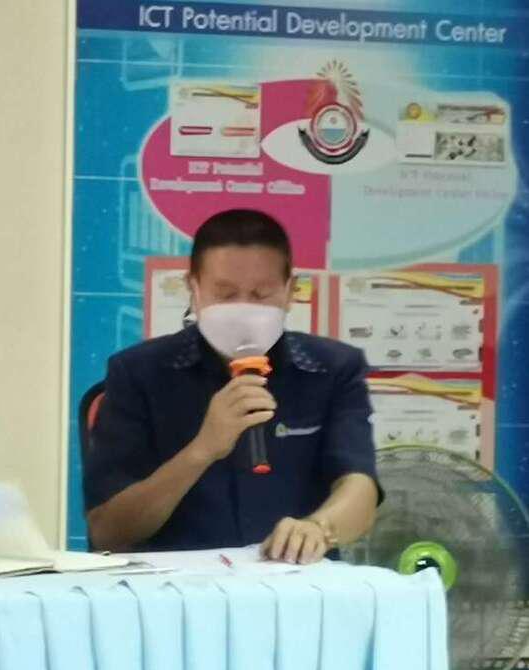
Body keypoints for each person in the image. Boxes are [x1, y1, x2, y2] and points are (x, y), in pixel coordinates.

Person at [83, 209, 380, 564]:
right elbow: (108, 531)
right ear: (193, 289)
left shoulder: (332, 369)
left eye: (261, 294)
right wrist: (201, 450)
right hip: (178, 585)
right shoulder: (138, 373)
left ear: (290, 291)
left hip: (294, 582)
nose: (244, 309)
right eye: (225, 294)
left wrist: (318, 528)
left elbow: (359, 487)